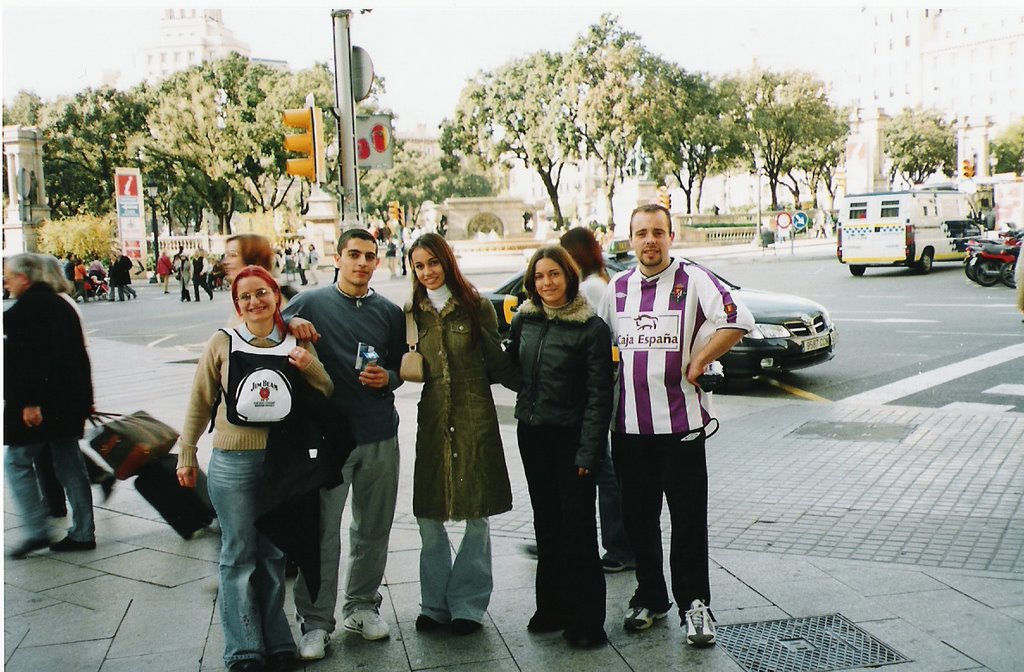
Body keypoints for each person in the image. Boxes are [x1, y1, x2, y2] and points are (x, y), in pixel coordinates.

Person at [602, 204, 753, 648]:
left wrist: (701, 359)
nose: (650, 241)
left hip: (682, 428)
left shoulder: (694, 279)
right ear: (630, 239)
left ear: (671, 236)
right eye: (641, 233)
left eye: (658, 232)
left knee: (688, 520)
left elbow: (737, 318)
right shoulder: (617, 288)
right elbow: (602, 348)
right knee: (638, 520)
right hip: (627, 429)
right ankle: (651, 597)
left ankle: (694, 605)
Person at [176, 265, 334, 672]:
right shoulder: (222, 342)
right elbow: (199, 401)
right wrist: (187, 453)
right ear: (236, 303)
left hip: (282, 463)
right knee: (238, 554)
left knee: (272, 554)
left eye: (262, 293)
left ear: (275, 296)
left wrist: (307, 363)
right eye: (245, 296)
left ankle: (278, 641)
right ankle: (243, 647)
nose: (255, 302)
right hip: (233, 461)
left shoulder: (294, 338)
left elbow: (326, 387)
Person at [283, 228, 405, 660]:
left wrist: (387, 377)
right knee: (321, 535)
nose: (362, 263)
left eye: (370, 256)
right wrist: (287, 321)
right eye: (354, 254)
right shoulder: (309, 303)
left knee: (373, 529)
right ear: (336, 257)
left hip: (379, 436)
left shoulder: (390, 311)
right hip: (328, 441)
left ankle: (361, 606)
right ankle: (315, 622)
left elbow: (398, 365)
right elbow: (264, 326)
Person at [405, 233, 516, 636]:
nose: (427, 272)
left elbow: (497, 363)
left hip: (474, 414)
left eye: (433, 263)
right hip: (432, 417)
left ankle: (468, 604)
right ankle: (433, 604)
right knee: (428, 513)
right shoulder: (411, 312)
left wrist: (538, 389)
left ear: (447, 262)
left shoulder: (476, 306)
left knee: (476, 511)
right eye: (419, 265)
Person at [508, 246, 613, 649]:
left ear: (569, 276)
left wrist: (589, 453)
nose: (546, 283)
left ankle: (588, 620)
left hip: (572, 440)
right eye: (539, 276)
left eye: (554, 274)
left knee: (579, 530)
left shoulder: (590, 329)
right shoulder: (525, 320)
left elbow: (598, 397)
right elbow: (513, 368)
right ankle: (552, 608)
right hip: (533, 436)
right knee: (546, 525)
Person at [4, 253, 97, 559]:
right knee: (70, 463)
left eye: (9, 276)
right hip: (68, 402)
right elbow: (80, 358)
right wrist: (87, 400)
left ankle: (36, 529)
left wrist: (30, 402)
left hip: (39, 406)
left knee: (16, 462)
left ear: (25, 278)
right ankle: (83, 531)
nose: (6, 281)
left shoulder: (24, 311)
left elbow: (27, 363)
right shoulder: (63, 306)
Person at [559, 227, 636, 575]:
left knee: (604, 470)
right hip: (599, 389)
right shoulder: (599, 280)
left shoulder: (590, 287)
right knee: (606, 470)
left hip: (593, 391)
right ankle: (618, 543)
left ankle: (619, 545)